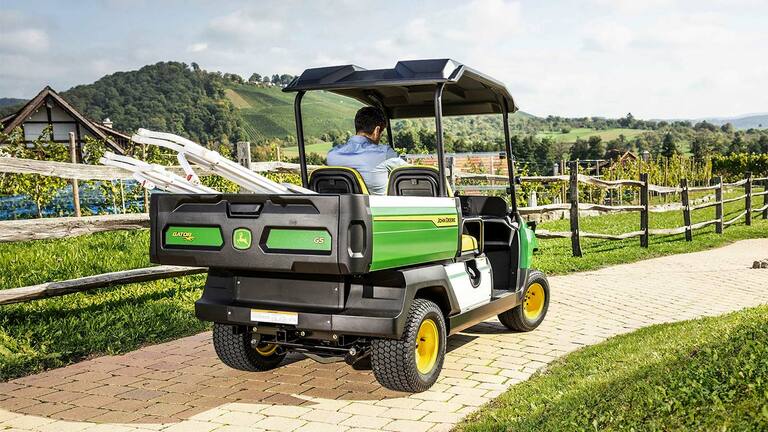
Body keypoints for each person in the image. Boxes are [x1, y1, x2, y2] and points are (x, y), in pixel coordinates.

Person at [327, 107, 407, 195]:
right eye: (381, 133)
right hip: (378, 208)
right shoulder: (385, 154)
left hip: (340, 208)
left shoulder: (331, 155)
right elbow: (413, 172)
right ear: (376, 131)